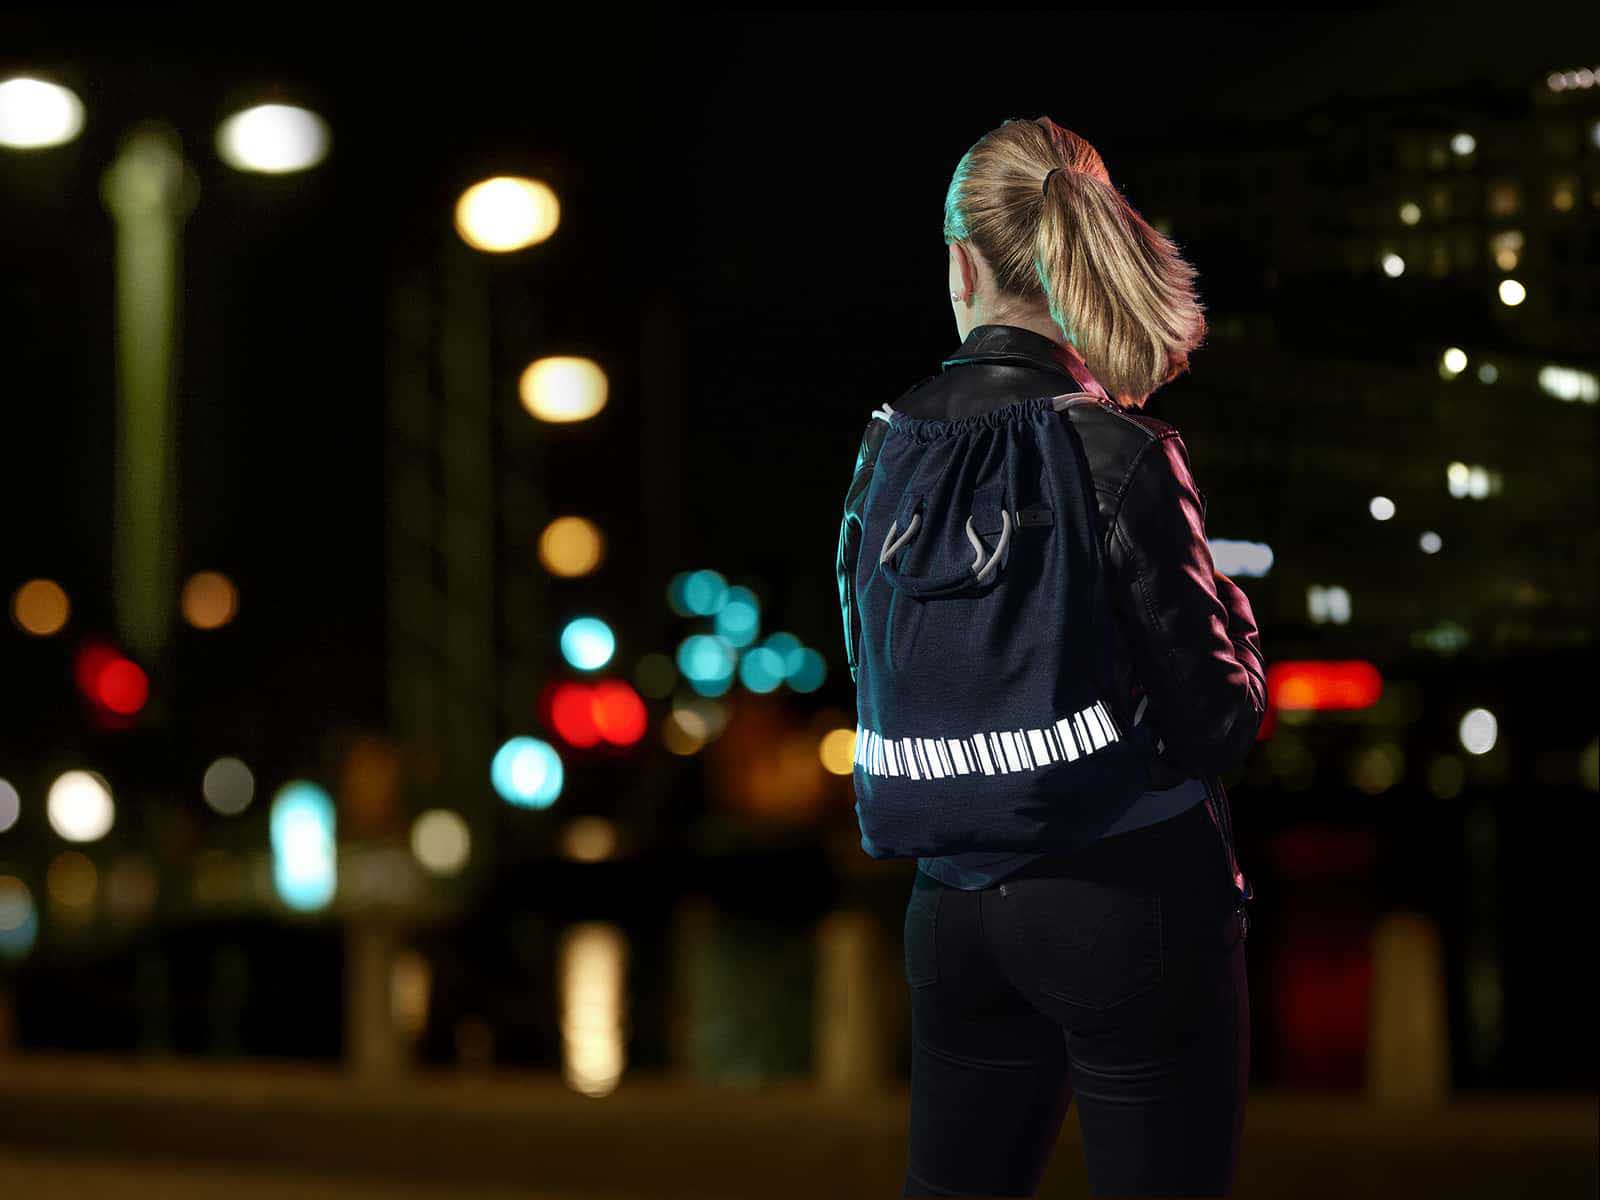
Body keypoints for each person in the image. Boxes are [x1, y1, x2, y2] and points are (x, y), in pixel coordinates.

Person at [836, 117, 1266, 1196]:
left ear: (961, 265)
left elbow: (871, 656)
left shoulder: (887, 444)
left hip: (950, 907)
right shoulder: (1121, 448)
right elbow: (1216, 721)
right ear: (1082, 254)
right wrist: (1240, 614)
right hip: (1125, 898)